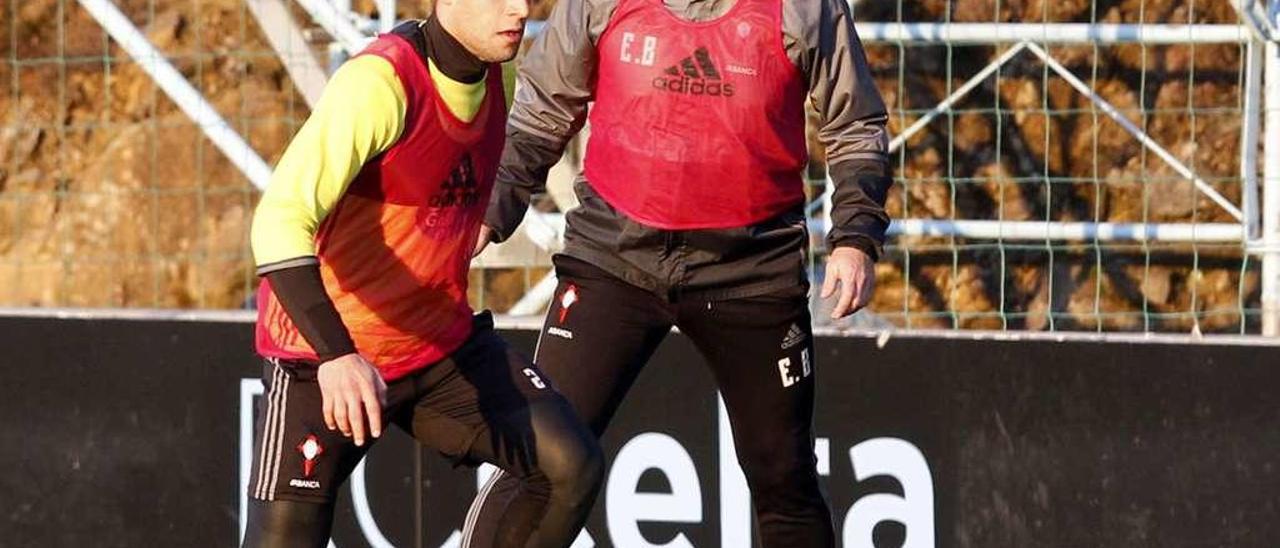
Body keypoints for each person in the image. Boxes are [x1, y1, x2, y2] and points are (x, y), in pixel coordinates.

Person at [464, 0, 891, 543]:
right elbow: (540, 114)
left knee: (782, 475)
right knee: (545, 455)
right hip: (613, 259)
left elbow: (855, 125)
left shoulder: (805, 9)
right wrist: (489, 213)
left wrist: (855, 238)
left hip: (752, 270)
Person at [240, 1, 603, 546]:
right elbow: (277, 221)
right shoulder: (380, 82)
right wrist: (337, 356)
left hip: (438, 348)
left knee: (569, 466)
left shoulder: (495, 68)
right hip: (327, 361)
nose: (520, 10)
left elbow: (452, 176)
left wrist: (476, 221)